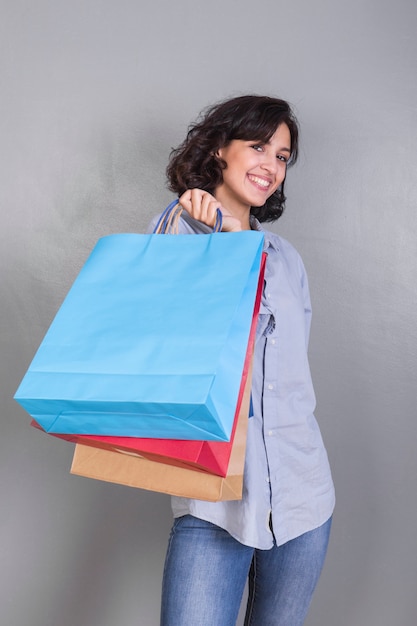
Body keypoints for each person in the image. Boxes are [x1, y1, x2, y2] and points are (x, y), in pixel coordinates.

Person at [148, 95, 335, 626]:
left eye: (282, 156)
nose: (270, 166)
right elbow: (171, 344)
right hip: (214, 505)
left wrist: (238, 240)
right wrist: (214, 242)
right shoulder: (175, 238)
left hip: (304, 497)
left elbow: (290, 364)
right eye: (258, 146)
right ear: (219, 149)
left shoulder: (284, 258)